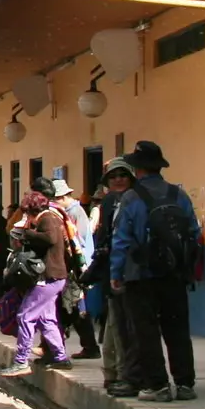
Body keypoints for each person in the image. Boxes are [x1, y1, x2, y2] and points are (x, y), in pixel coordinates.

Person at [107, 141, 201, 402]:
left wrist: (116, 272)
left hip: (140, 274)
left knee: (146, 331)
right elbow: (193, 232)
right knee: (178, 329)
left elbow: (121, 240)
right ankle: (185, 384)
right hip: (174, 274)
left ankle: (157, 385)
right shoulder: (178, 194)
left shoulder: (131, 198)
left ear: (137, 169)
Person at [1, 188, 73, 377]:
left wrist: (28, 234)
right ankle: (60, 357)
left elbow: (50, 239)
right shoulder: (48, 218)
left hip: (48, 277)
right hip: (55, 277)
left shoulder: (47, 218)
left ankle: (21, 361)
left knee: (25, 316)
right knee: (47, 319)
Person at [88, 162, 139, 396]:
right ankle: (115, 372)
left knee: (116, 324)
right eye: (113, 177)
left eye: (123, 175)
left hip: (128, 271)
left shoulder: (135, 200)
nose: (118, 180)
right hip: (114, 271)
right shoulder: (110, 203)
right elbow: (105, 239)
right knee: (116, 324)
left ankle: (114, 372)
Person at [48, 176, 99, 359]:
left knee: (75, 307)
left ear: (61, 197)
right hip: (70, 267)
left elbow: (81, 242)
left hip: (77, 267)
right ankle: (84, 346)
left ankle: (87, 346)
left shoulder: (76, 213)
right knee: (71, 307)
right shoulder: (69, 212)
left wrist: (79, 267)